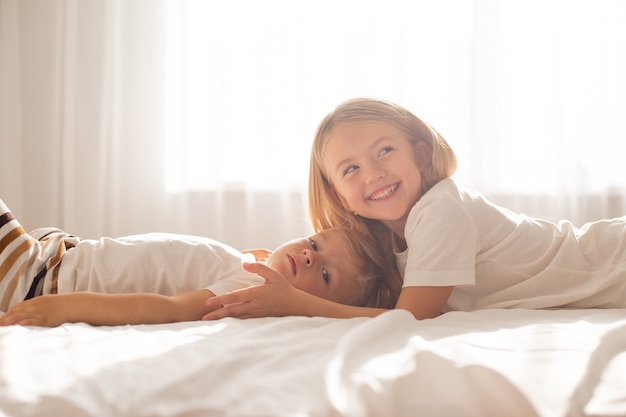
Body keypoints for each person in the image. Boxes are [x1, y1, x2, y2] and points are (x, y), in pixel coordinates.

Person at [204, 97, 626, 321]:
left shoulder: (441, 210)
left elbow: (408, 319)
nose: (373, 173)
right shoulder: (389, 238)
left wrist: (294, 304)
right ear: (337, 197)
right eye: (351, 168)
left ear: (422, 155)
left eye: (384, 151)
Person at [0, 197, 396, 327]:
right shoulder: (252, 266)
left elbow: (167, 308)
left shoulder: (249, 293)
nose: (309, 256)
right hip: (58, 253)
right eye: (314, 242)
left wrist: (63, 307)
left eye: (325, 273)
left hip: (41, 278)